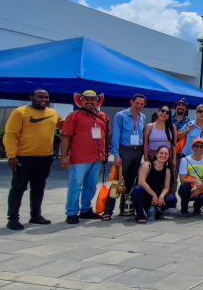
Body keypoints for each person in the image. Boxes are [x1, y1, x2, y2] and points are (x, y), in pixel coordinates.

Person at [3, 89, 65, 230]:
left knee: (38, 188)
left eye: (46, 97)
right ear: (31, 97)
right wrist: (11, 156)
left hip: (45, 158)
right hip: (23, 159)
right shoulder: (20, 112)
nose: (44, 99)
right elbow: (10, 135)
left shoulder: (53, 113)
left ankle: (35, 215)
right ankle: (12, 219)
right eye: (40, 97)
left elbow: (63, 125)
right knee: (18, 188)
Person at [60, 90, 109, 224]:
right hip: (79, 157)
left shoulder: (103, 116)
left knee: (91, 185)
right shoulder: (74, 116)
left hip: (97, 157)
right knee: (75, 185)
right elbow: (65, 136)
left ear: (97, 101)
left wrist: (105, 153)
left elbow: (106, 136)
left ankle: (86, 209)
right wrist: (64, 156)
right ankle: (71, 212)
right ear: (80, 101)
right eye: (86, 99)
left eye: (92, 99)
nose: (89, 102)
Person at [106, 93, 147, 221]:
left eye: (141, 104)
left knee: (130, 182)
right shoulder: (121, 115)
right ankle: (107, 211)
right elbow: (115, 136)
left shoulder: (143, 117)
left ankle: (125, 209)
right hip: (124, 150)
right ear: (131, 102)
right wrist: (116, 155)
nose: (139, 106)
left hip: (137, 151)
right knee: (116, 181)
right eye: (137, 103)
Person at [131, 145, 178, 223]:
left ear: (169, 156)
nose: (163, 155)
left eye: (166, 154)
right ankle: (139, 215)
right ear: (156, 154)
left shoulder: (167, 170)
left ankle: (156, 208)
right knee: (138, 189)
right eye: (161, 153)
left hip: (157, 195)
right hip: (145, 193)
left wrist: (162, 196)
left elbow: (166, 187)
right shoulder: (147, 165)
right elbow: (141, 182)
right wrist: (153, 195)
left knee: (172, 199)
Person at [177, 138, 203, 219]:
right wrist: (195, 181)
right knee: (185, 186)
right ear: (192, 148)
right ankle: (184, 210)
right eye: (196, 146)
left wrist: (199, 189)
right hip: (189, 187)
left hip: (201, 188)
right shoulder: (185, 160)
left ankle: (197, 208)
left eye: (202, 146)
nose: (199, 149)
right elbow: (182, 180)